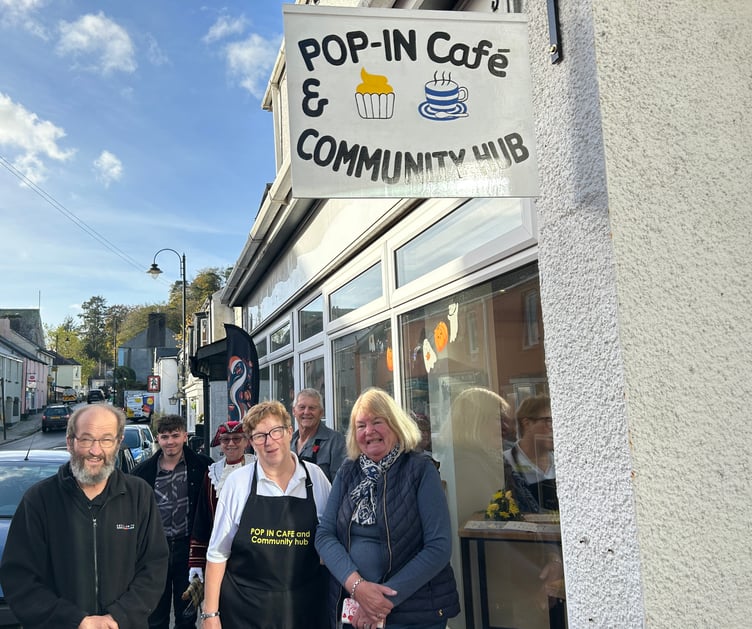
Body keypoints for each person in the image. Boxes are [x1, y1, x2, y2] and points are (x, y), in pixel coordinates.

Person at [0, 404, 168, 629]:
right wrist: (75, 620)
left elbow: (154, 566)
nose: (96, 451)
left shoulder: (139, 495)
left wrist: (118, 617)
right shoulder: (39, 500)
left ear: (118, 443)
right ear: (70, 442)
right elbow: (19, 578)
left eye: (106, 440)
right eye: (87, 439)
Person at [315, 387, 460, 629]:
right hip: (354, 606)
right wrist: (358, 587)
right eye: (361, 426)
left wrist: (380, 602)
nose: (369, 431)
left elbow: (439, 547)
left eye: (377, 422)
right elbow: (325, 535)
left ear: (395, 424)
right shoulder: (348, 471)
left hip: (414, 611)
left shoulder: (420, 470)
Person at [202, 400, 332, 628]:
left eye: (276, 432)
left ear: (289, 432)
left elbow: (331, 539)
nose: (269, 442)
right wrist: (210, 615)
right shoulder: (238, 483)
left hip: (305, 609)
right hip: (246, 611)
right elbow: (217, 554)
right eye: (259, 436)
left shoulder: (315, 478)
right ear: (251, 442)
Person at [132, 414, 213, 629]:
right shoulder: (142, 473)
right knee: (155, 615)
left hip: (189, 549)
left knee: (186, 615)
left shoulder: (203, 466)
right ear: (158, 439)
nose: (170, 442)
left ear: (185, 436)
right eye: (165, 436)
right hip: (155, 551)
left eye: (175, 436)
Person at [188, 420, 254, 584]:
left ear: (246, 442)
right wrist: (196, 560)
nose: (231, 444)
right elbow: (202, 517)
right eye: (225, 439)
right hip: (219, 551)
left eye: (237, 439)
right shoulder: (212, 473)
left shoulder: (257, 468)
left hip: (252, 550)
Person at [503, 394, 558, 512]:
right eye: (549, 420)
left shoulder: (563, 463)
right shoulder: (505, 463)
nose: (554, 427)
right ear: (527, 423)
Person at [291, 388, 347, 481]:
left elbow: (341, 485)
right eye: (302, 407)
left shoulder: (335, 442)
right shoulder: (288, 442)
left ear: (321, 413)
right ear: (294, 411)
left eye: (312, 408)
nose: (306, 412)